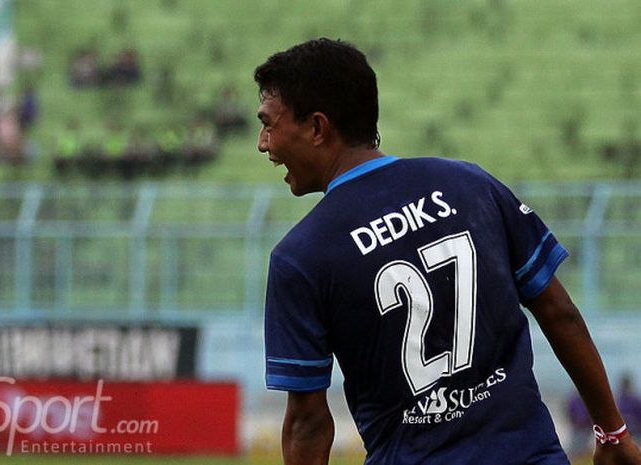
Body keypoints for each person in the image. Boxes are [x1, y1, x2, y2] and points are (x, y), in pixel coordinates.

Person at [254, 38, 641, 465]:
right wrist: (612, 431)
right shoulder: (471, 185)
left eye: (270, 124)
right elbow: (558, 311)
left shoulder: (301, 256)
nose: (262, 143)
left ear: (317, 127)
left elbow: (307, 422)